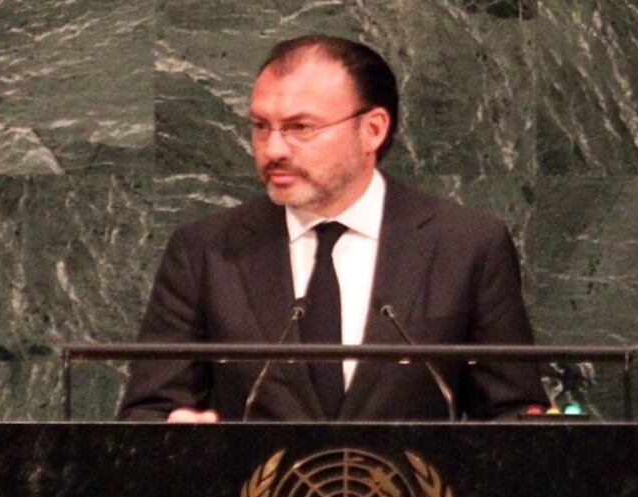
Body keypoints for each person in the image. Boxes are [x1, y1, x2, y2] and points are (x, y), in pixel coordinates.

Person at [118, 34, 546, 422]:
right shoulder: (205, 251)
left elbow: (512, 414)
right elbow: (148, 411)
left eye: (300, 128)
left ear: (372, 130)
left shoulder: (465, 245)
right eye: (261, 127)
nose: (274, 149)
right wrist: (172, 437)